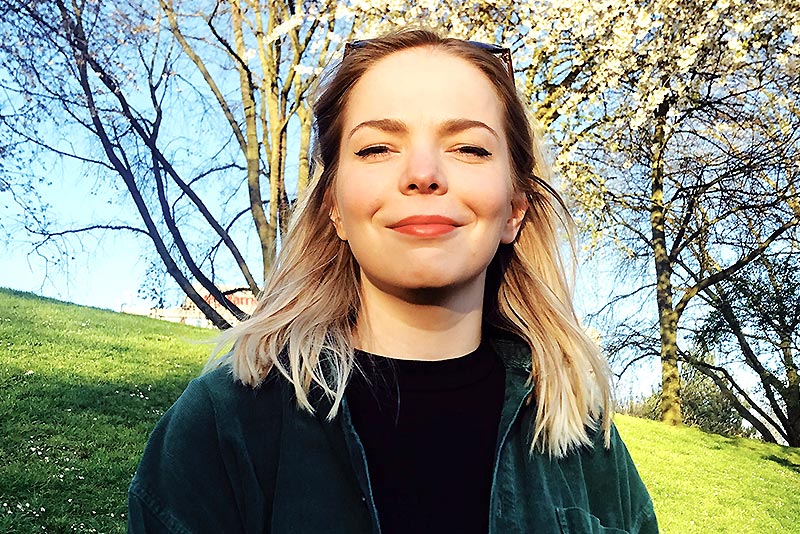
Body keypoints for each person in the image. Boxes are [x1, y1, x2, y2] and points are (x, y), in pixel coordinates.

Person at [127, 28, 658, 534]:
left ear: (515, 209)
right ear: (333, 205)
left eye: (469, 148)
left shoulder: (588, 448)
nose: (423, 172)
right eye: (377, 148)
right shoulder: (225, 428)